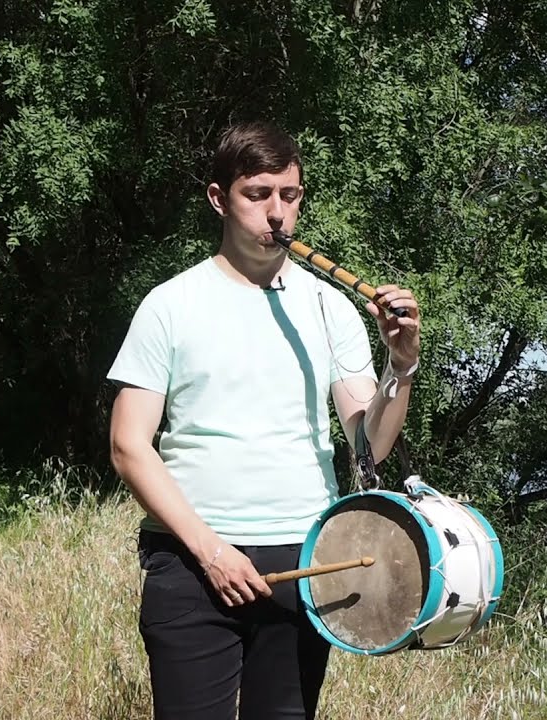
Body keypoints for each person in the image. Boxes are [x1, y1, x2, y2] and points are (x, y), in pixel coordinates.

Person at [107, 121, 421, 719]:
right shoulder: (170, 304)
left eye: (290, 195)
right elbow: (128, 445)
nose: (277, 213)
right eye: (258, 194)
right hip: (192, 563)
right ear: (219, 198)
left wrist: (399, 367)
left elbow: (367, 444)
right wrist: (211, 552)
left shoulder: (331, 307)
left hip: (305, 561)